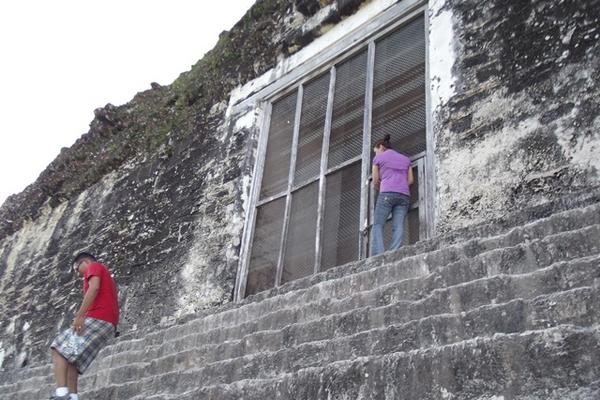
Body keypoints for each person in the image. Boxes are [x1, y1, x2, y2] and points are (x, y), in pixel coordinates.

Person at [49, 252, 119, 400]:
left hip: (98, 318)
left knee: (58, 349)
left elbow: (94, 289)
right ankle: (73, 397)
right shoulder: (103, 273)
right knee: (72, 361)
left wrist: (80, 315)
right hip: (107, 323)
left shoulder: (93, 266)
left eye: (76, 269)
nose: (77, 274)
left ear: (84, 262)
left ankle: (61, 394)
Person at [371, 134, 414, 256]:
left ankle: (379, 255)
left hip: (387, 194)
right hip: (404, 195)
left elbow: (375, 180)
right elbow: (410, 180)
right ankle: (394, 253)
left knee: (378, 225)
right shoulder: (406, 160)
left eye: (376, 151)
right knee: (398, 226)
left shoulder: (378, 159)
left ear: (380, 147)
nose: (376, 154)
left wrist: (384, 187)